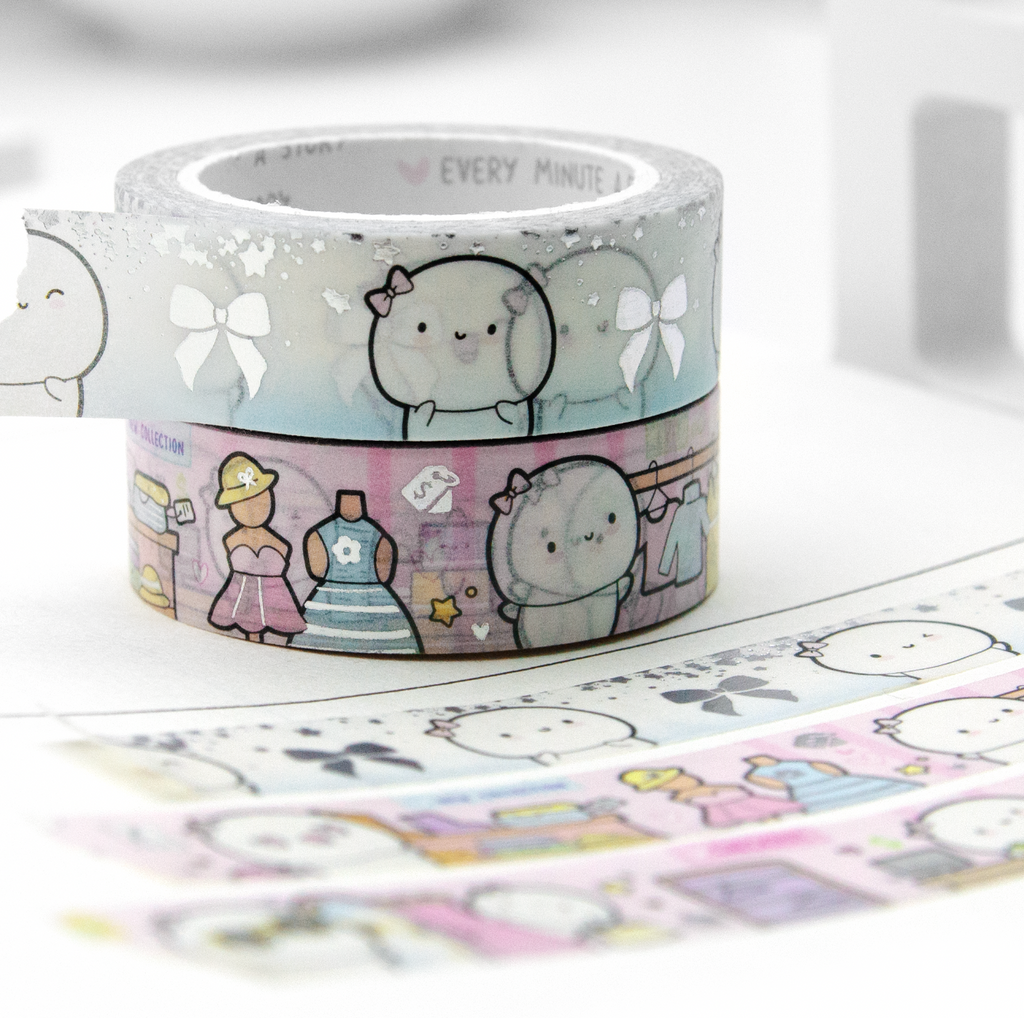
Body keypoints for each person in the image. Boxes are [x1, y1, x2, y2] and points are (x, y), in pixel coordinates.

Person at [207, 453, 306, 643]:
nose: (252, 508)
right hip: (241, 598)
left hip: (275, 598)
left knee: (281, 631)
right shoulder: (232, 539)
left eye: (259, 498)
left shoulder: (280, 544)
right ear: (232, 507)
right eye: (243, 502)